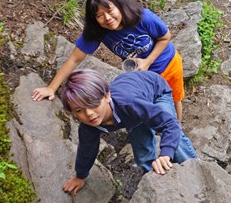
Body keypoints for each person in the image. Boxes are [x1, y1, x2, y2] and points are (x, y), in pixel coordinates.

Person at [32, 0, 186, 122]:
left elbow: (165, 37)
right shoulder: (98, 32)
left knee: (175, 98)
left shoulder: (142, 17)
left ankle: (176, 130)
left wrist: (148, 61)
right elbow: (74, 59)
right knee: (149, 104)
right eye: (100, 15)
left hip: (168, 64)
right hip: (142, 75)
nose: (107, 18)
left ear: (119, 6)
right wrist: (51, 88)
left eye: (110, 10)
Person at [60, 68, 198, 195]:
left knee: (176, 141)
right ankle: (154, 178)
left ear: (107, 96)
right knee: (142, 154)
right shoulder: (88, 127)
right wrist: (80, 176)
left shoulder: (129, 103)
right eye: (79, 110)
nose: (89, 114)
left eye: (93, 104)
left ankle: (197, 174)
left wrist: (166, 154)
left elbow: (169, 124)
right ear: (72, 113)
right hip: (133, 112)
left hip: (155, 92)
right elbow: (86, 150)